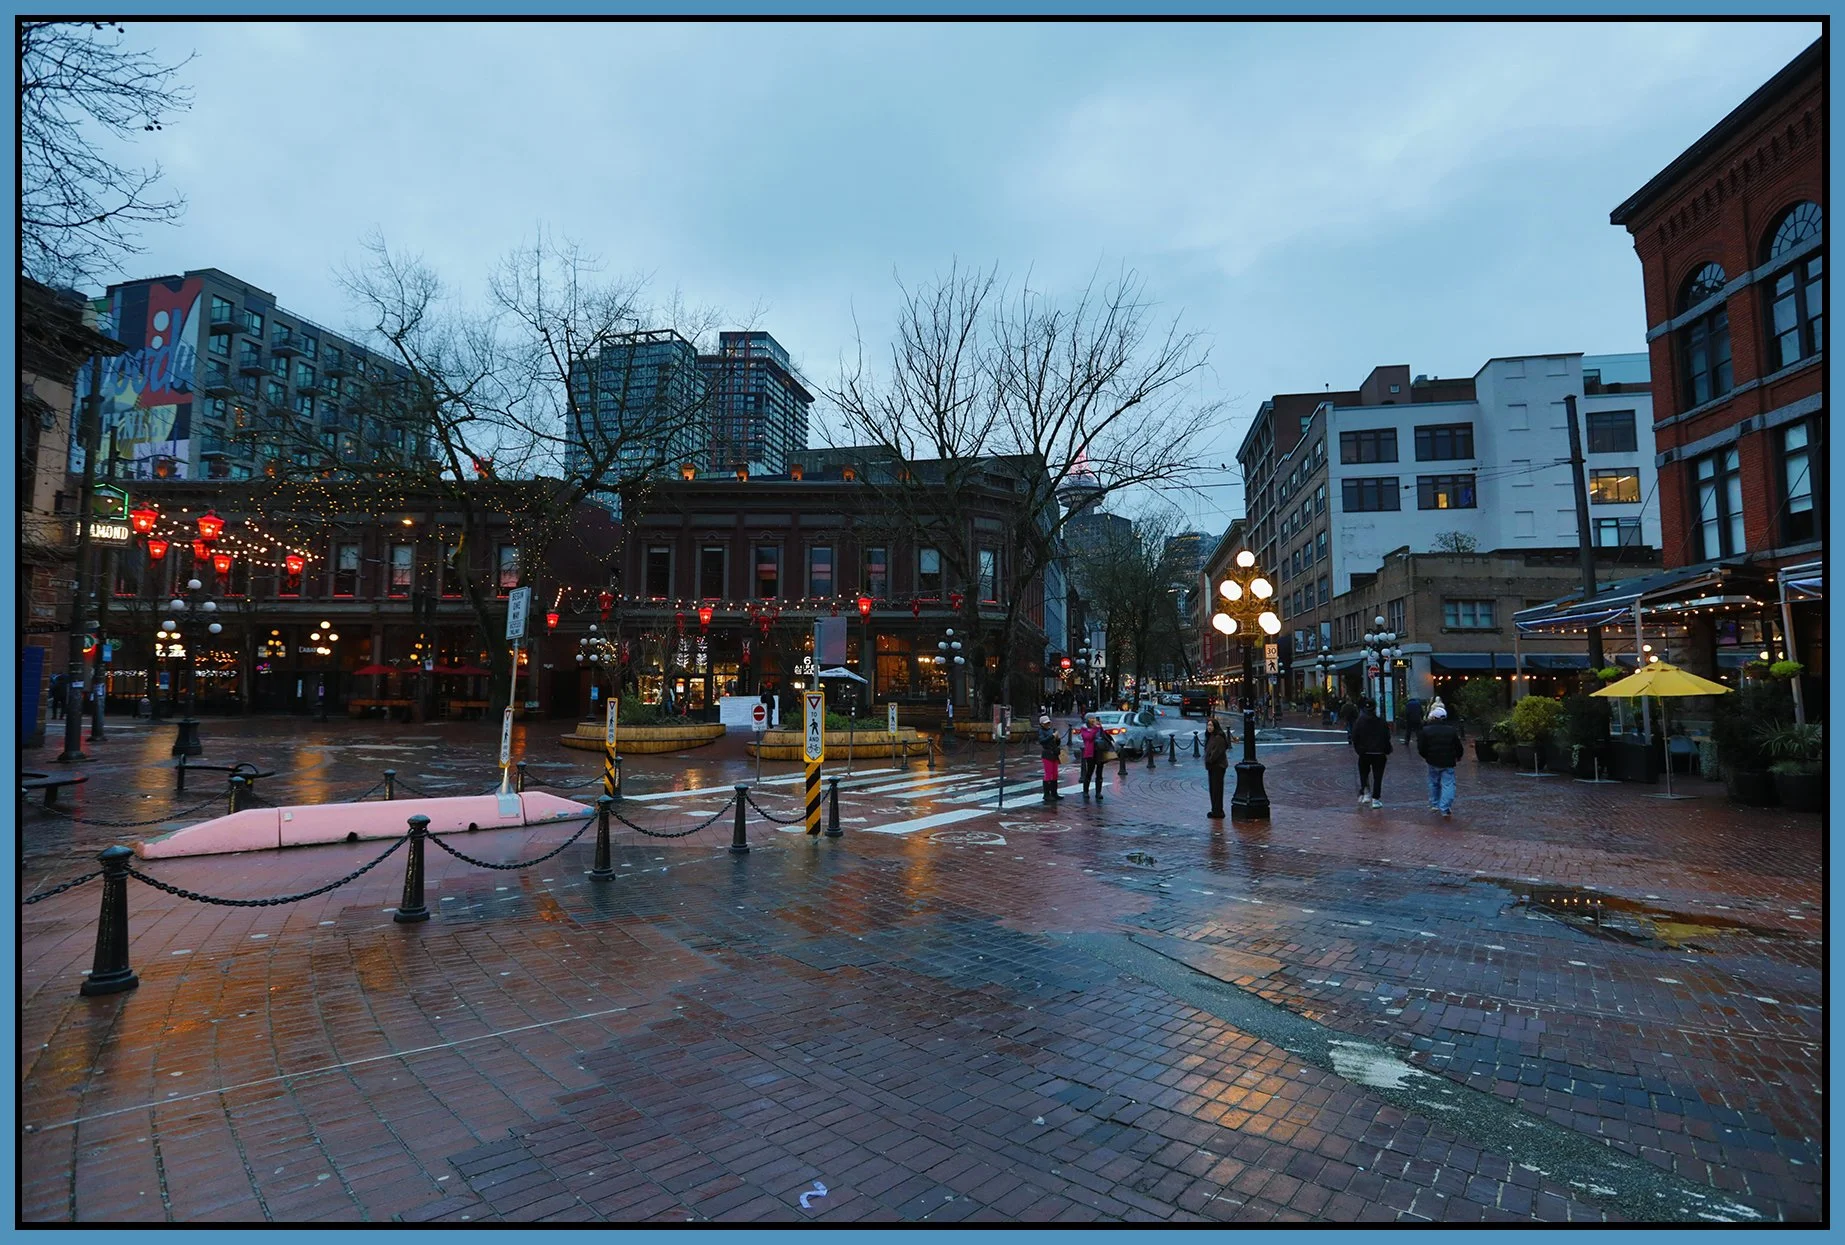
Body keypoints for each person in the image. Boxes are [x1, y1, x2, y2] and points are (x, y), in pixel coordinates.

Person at [1417, 704, 1464, 817]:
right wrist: (1458, 756)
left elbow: (1421, 747)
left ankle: (1435, 803)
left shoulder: (1426, 730)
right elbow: (1458, 746)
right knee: (1448, 784)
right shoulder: (1451, 731)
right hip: (1448, 761)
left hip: (1432, 760)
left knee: (1434, 782)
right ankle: (1445, 807)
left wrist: (1426, 756)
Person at [1350, 697, 1393, 809]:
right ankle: (1376, 798)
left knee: (1363, 773)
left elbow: (1354, 737)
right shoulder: (1381, 722)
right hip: (1379, 753)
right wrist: (1386, 749)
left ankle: (1366, 792)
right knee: (1378, 776)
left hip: (1364, 753)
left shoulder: (1359, 722)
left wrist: (1359, 750)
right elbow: (1386, 737)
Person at [1076, 712, 1113, 800]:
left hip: (1100, 752)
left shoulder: (1099, 727)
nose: (1093, 720)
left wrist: (1100, 728)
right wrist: (1095, 728)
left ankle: (1098, 792)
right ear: (1087, 720)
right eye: (1091, 718)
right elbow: (1089, 737)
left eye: (1094, 718)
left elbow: (1103, 736)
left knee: (1099, 773)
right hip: (1090, 752)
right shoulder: (1084, 728)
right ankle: (1085, 791)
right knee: (1089, 772)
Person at [1203, 716, 1230, 818]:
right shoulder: (1211, 737)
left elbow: (1216, 753)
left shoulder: (1218, 738)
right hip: (1212, 767)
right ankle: (1215, 809)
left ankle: (1218, 811)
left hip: (1218, 766)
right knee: (1213, 789)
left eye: (1211, 725)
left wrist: (1209, 760)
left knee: (1217, 789)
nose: (1209, 727)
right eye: (1208, 725)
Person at [1037, 714, 1063, 803]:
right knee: (1048, 773)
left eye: (1048, 723)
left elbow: (1057, 742)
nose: (1047, 725)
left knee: (1055, 773)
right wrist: (1052, 736)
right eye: (1046, 723)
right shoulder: (1041, 731)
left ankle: (1054, 793)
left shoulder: (1051, 730)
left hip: (1054, 753)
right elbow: (1042, 741)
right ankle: (1047, 794)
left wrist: (1057, 738)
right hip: (1047, 754)